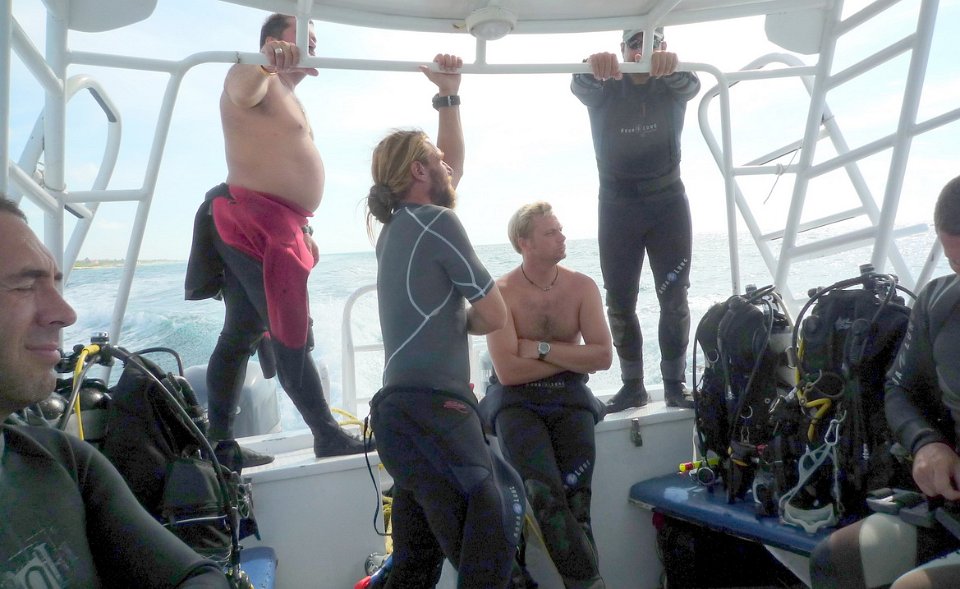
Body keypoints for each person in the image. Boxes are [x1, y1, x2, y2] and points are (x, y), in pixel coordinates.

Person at [0, 196, 229, 588]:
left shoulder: (62, 462)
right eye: (24, 285)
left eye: (55, 283)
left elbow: (195, 575)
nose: (66, 313)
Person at [365, 54, 525, 589]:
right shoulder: (437, 222)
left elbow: (448, 172)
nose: (448, 166)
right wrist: (465, 318)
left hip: (399, 419)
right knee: (494, 530)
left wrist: (449, 97)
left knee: (415, 566)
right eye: (436, 160)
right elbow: (495, 313)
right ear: (419, 171)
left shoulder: (394, 229)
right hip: (435, 413)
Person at [186, 13, 366, 464]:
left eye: (315, 40)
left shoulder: (287, 94)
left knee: (241, 332)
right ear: (272, 41)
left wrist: (304, 229)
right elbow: (241, 88)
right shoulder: (252, 76)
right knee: (291, 331)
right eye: (304, 38)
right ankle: (326, 433)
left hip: (279, 224)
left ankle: (220, 444)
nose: (313, 47)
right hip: (253, 223)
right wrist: (264, 62)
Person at [809, 176, 960, 589]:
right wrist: (927, 443)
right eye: (956, 264)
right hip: (952, 508)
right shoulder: (938, 302)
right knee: (836, 559)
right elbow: (899, 390)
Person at [482, 201, 613, 588]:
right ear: (524, 243)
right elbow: (508, 372)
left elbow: (603, 357)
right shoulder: (501, 293)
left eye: (560, 229)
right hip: (517, 406)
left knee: (578, 502)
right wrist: (573, 358)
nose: (562, 237)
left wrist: (539, 349)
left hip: (570, 401)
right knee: (546, 499)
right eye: (551, 232)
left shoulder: (582, 287)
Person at [571, 27, 700, 412]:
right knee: (619, 301)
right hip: (617, 207)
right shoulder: (605, 83)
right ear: (622, 49)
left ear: (663, 47)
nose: (642, 50)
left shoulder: (674, 80)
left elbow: (691, 85)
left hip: (667, 205)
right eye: (634, 43)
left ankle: (674, 384)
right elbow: (580, 86)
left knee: (673, 298)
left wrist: (672, 64)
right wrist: (591, 65)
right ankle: (633, 386)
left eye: (652, 43)